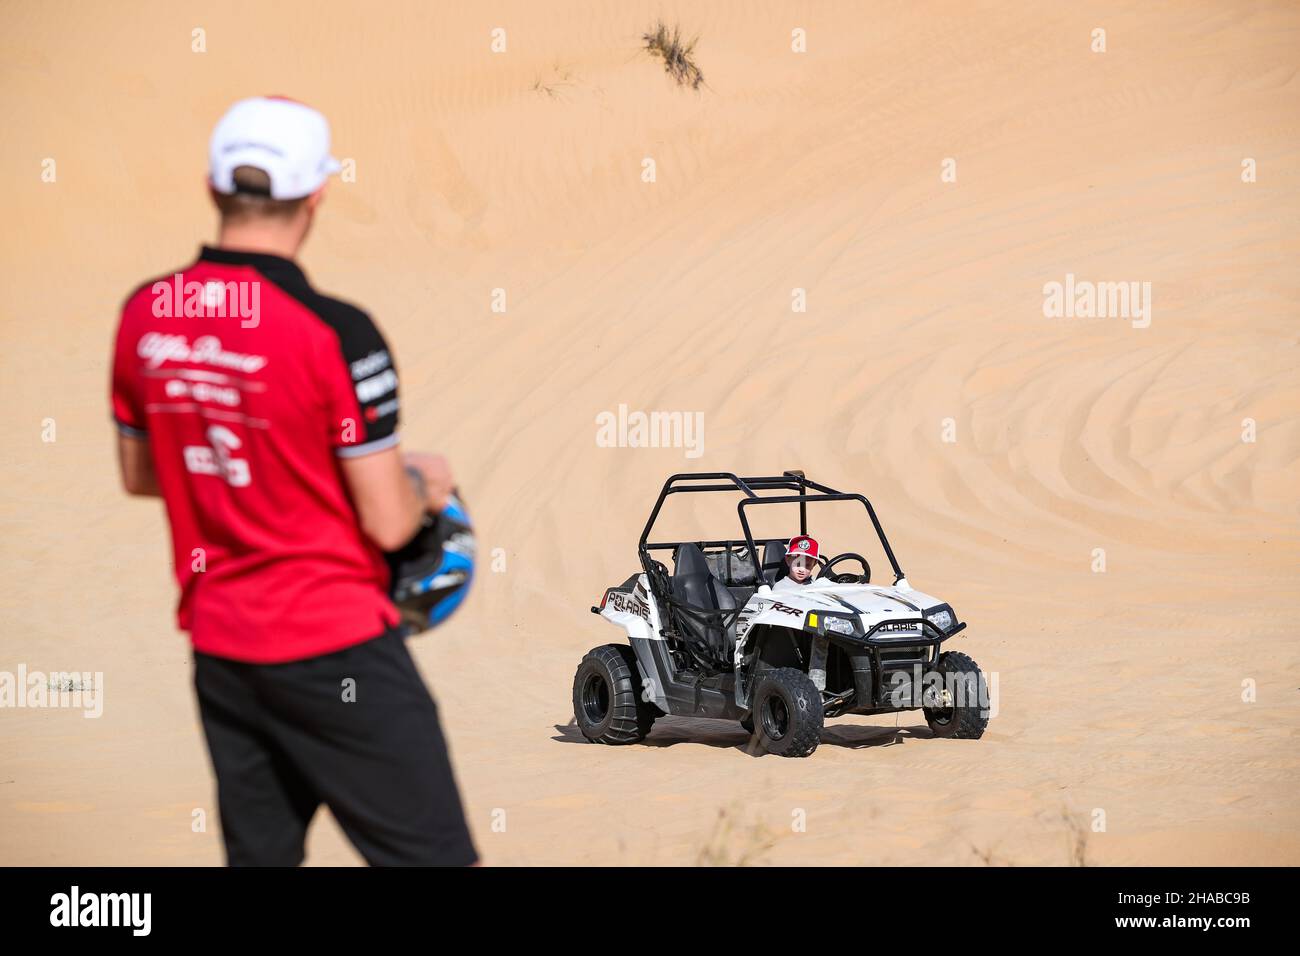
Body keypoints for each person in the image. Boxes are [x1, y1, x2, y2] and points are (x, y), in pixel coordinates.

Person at [109, 96, 477, 866]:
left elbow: (143, 475)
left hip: (221, 649)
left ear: (212, 187)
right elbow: (387, 523)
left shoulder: (146, 314)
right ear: (316, 195)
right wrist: (426, 482)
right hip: (332, 642)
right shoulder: (336, 331)